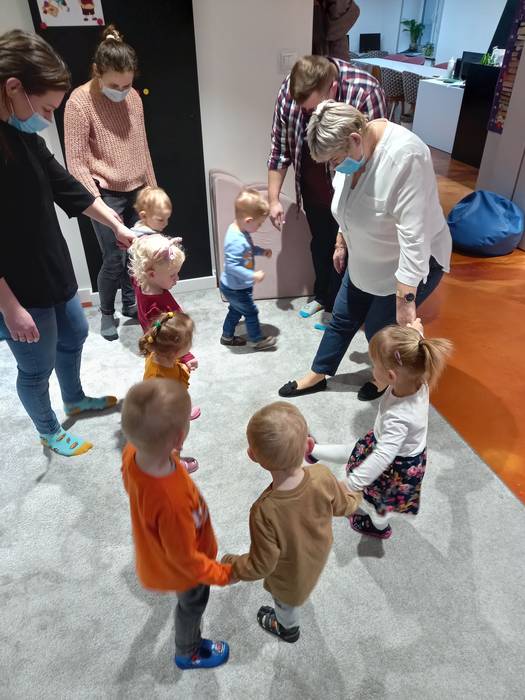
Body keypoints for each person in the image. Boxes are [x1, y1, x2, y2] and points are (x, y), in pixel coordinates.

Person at [0, 29, 135, 457]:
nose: (47, 118)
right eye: (45, 108)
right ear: (14, 88)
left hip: (51, 263)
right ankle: (48, 429)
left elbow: (68, 188)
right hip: (16, 285)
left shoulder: (24, 137)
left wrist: (115, 223)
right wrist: (9, 307)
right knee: (35, 365)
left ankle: (74, 398)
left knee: (75, 330)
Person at [279, 100, 452, 401]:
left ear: (355, 139)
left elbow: (414, 235)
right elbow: (347, 206)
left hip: (406, 263)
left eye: (335, 160)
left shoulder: (406, 157)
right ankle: (318, 374)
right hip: (367, 255)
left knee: (377, 330)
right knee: (342, 315)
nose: (334, 167)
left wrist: (406, 301)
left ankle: (383, 377)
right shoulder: (353, 155)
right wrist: (341, 241)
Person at [221, 401, 361, 643]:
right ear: (308, 445)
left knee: (285, 604)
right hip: (318, 553)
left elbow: (261, 565)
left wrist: (233, 566)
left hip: (290, 577)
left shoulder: (263, 511)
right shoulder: (322, 475)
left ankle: (287, 629)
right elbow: (343, 505)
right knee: (299, 589)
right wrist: (356, 492)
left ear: (252, 456)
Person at [268, 55, 386, 330]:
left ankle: (342, 312)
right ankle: (324, 298)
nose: (307, 114)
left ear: (332, 89)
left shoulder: (366, 91)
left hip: (353, 190)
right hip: (313, 189)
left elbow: (374, 155)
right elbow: (279, 150)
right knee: (321, 244)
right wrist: (273, 199)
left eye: (312, 109)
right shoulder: (290, 89)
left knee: (348, 250)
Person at [121, 378, 231, 670]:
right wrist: (221, 573)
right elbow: (186, 560)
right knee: (192, 606)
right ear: (180, 438)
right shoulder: (172, 502)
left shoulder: (132, 452)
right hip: (186, 571)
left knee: (189, 602)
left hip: (162, 550)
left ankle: (188, 647)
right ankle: (188, 651)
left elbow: (127, 480)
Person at [308, 321, 452, 539]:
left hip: (395, 465)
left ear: (391, 376)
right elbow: (414, 346)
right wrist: (415, 330)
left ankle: (379, 527)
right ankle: (313, 451)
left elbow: (383, 456)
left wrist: (351, 484)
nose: (372, 369)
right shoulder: (418, 373)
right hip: (384, 440)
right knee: (353, 450)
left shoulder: (399, 417)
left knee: (382, 506)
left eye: (374, 365)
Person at [64, 24, 156, 341]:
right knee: (114, 259)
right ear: (97, 73)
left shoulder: (133, 98)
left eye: (127, 84)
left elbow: (142, 147)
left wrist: (153, 190)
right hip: (105, 195)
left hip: (137, 189)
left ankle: (131, 304)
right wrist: (98, 204)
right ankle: (106, 312)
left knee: (137, 254)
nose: (122, 90)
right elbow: (76, 163)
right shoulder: (78, 103)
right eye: (115, 84)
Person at [219, 189, 275, 351]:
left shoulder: (240, 230)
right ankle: (257, 340)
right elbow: (232, 267)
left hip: (235, 285)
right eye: (259, 224)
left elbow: (248, 251)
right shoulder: (236, 240)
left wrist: (261, 251)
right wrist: (253, 275)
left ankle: (226, 336)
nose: (260, 226)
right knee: (251, 312)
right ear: (249, 220)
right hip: (236, 288)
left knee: (235, 311)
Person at [128, 234, 196, 368]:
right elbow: (170, 337)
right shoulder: (157, 307)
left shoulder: (140, 281)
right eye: (172, 275)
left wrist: (139, 244)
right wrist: (186, 356)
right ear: (151, 274)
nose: (177, 278)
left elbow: (140, 266)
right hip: (166, 354)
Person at [140, 309, 201, 432]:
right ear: (175, 351)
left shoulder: (163, 353)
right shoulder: (156, 378)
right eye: (190, 340)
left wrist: (185, 362)